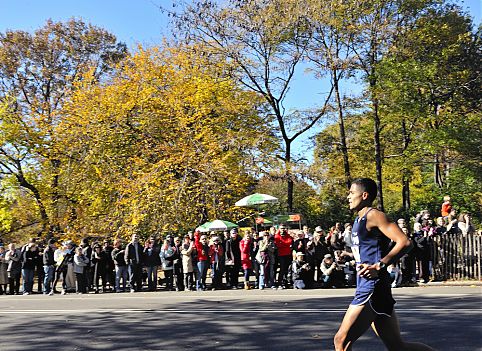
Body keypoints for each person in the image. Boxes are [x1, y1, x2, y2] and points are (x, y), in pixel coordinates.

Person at [334, 177, 434, 351]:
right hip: (372, 286)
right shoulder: (358, 220)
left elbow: (405, 242)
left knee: (341, 342)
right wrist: (349, 256)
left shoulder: (374, 215)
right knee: (398, 347)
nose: (348, 197)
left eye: (351, 193)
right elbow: (367, 251)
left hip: (372, 287)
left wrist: (379, 265)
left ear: (364, 195)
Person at [274, 224, 293, 289]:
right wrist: (285, 244)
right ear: (279, 229)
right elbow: (278, 245)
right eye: (281, 228)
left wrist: (283, 243)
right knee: (282, 269)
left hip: (288, 254)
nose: (283, 229)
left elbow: (289, 242)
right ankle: (279, 282)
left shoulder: (288, 235)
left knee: (287, 269)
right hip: (281, 255)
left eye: (284, 228)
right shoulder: (277, 236)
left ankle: (285, 282)